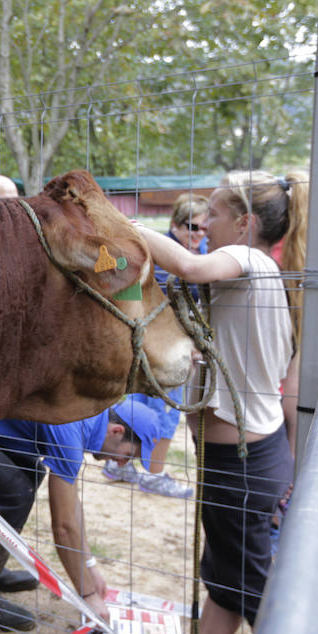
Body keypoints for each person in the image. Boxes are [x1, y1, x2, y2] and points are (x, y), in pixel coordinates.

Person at [117, 168, 308, 634]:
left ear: (246, 223)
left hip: (242, 465)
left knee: (253, 591)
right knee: (226, 582)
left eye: (216, 214)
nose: (203, 222)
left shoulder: (249, 261)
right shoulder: (261, 276)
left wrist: (120, 226)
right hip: (247, 457)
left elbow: (189, 264)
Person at [0, 398, 168, 631]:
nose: (121, 465)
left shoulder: (86, 417)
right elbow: (64, 527)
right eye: (127, 455)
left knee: (31, 473)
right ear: (116, 431)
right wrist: (89, 596)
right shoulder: (73, 429)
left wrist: (90, 566)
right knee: (14, 490)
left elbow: (72, 505)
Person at [105, 193, 208, 498]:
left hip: (162, 346)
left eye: (204, 229)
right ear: (175, 224)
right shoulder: (161, 258)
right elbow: (135, 303)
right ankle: (153, 473)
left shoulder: (194, 252)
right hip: (156, 348)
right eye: (193, 226)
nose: (199, 234)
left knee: (147, 408)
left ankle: (123, 464)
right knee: (160, 411)